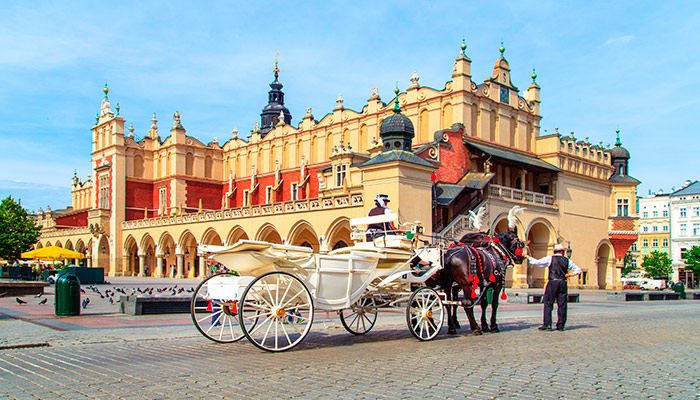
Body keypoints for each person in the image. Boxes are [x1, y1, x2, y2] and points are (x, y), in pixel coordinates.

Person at [527, 244, 581, 331]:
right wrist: (570, 275)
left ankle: (547, 324)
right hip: (562, 282)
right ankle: (560, 325)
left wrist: (528, 257)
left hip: (553, 282)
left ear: (554, 251)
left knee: (548, 303)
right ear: (562, 252)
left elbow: (537, 262)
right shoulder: (567, 260)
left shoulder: (550, 258)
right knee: (562, 304)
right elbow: (578, 270)